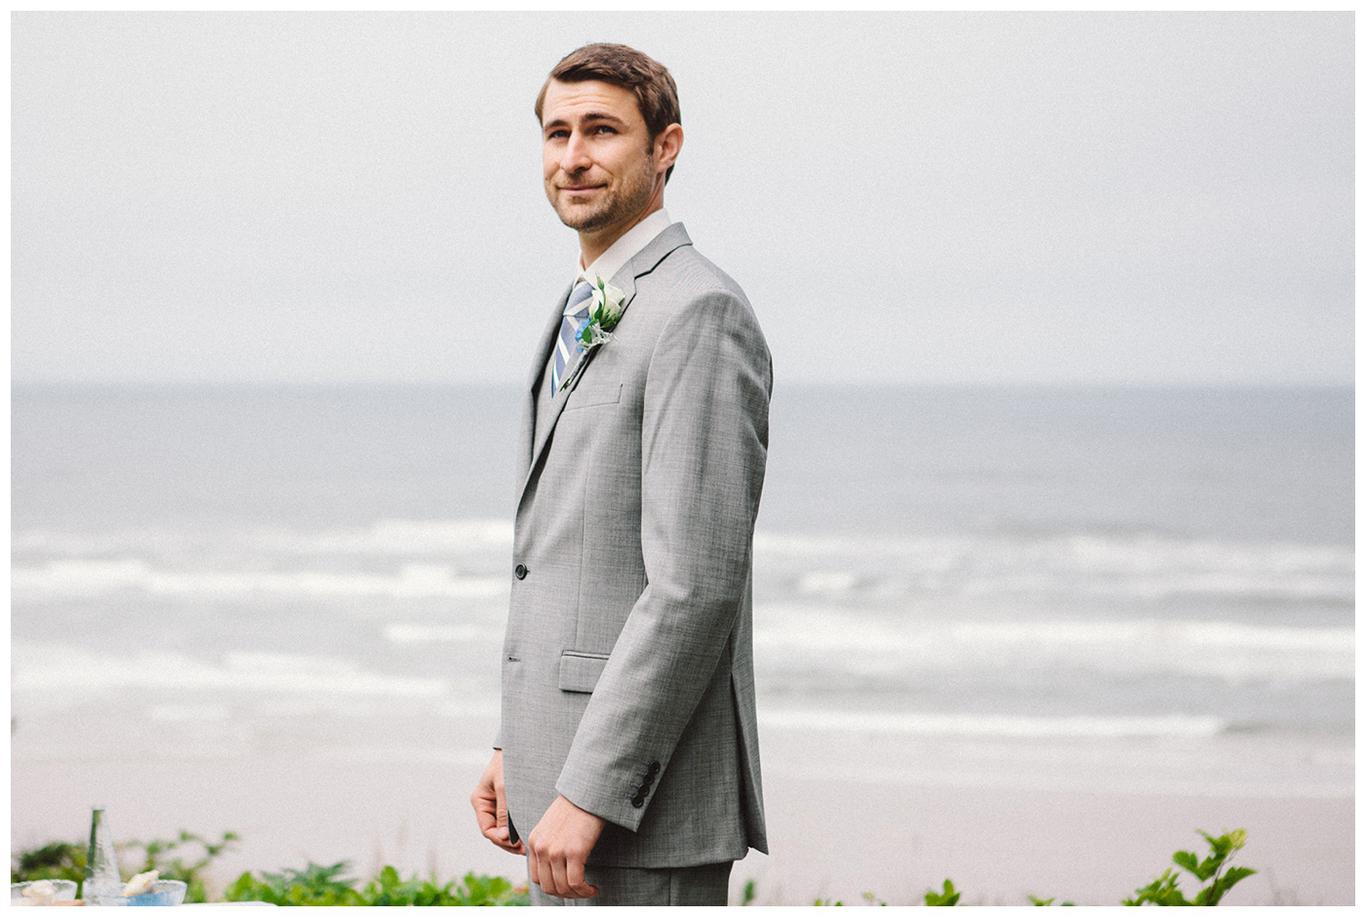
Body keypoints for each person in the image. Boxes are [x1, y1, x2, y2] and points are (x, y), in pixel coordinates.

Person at [469, 42, 773, 907]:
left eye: (601, 130)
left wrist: (590, 790)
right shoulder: (584, 303)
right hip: (555, 784)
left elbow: (694, 585)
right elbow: (568, 558)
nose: (573, 156)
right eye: (556, 133)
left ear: (665, 147)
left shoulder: (699, 310)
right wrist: (517, 741)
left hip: (638, 813)